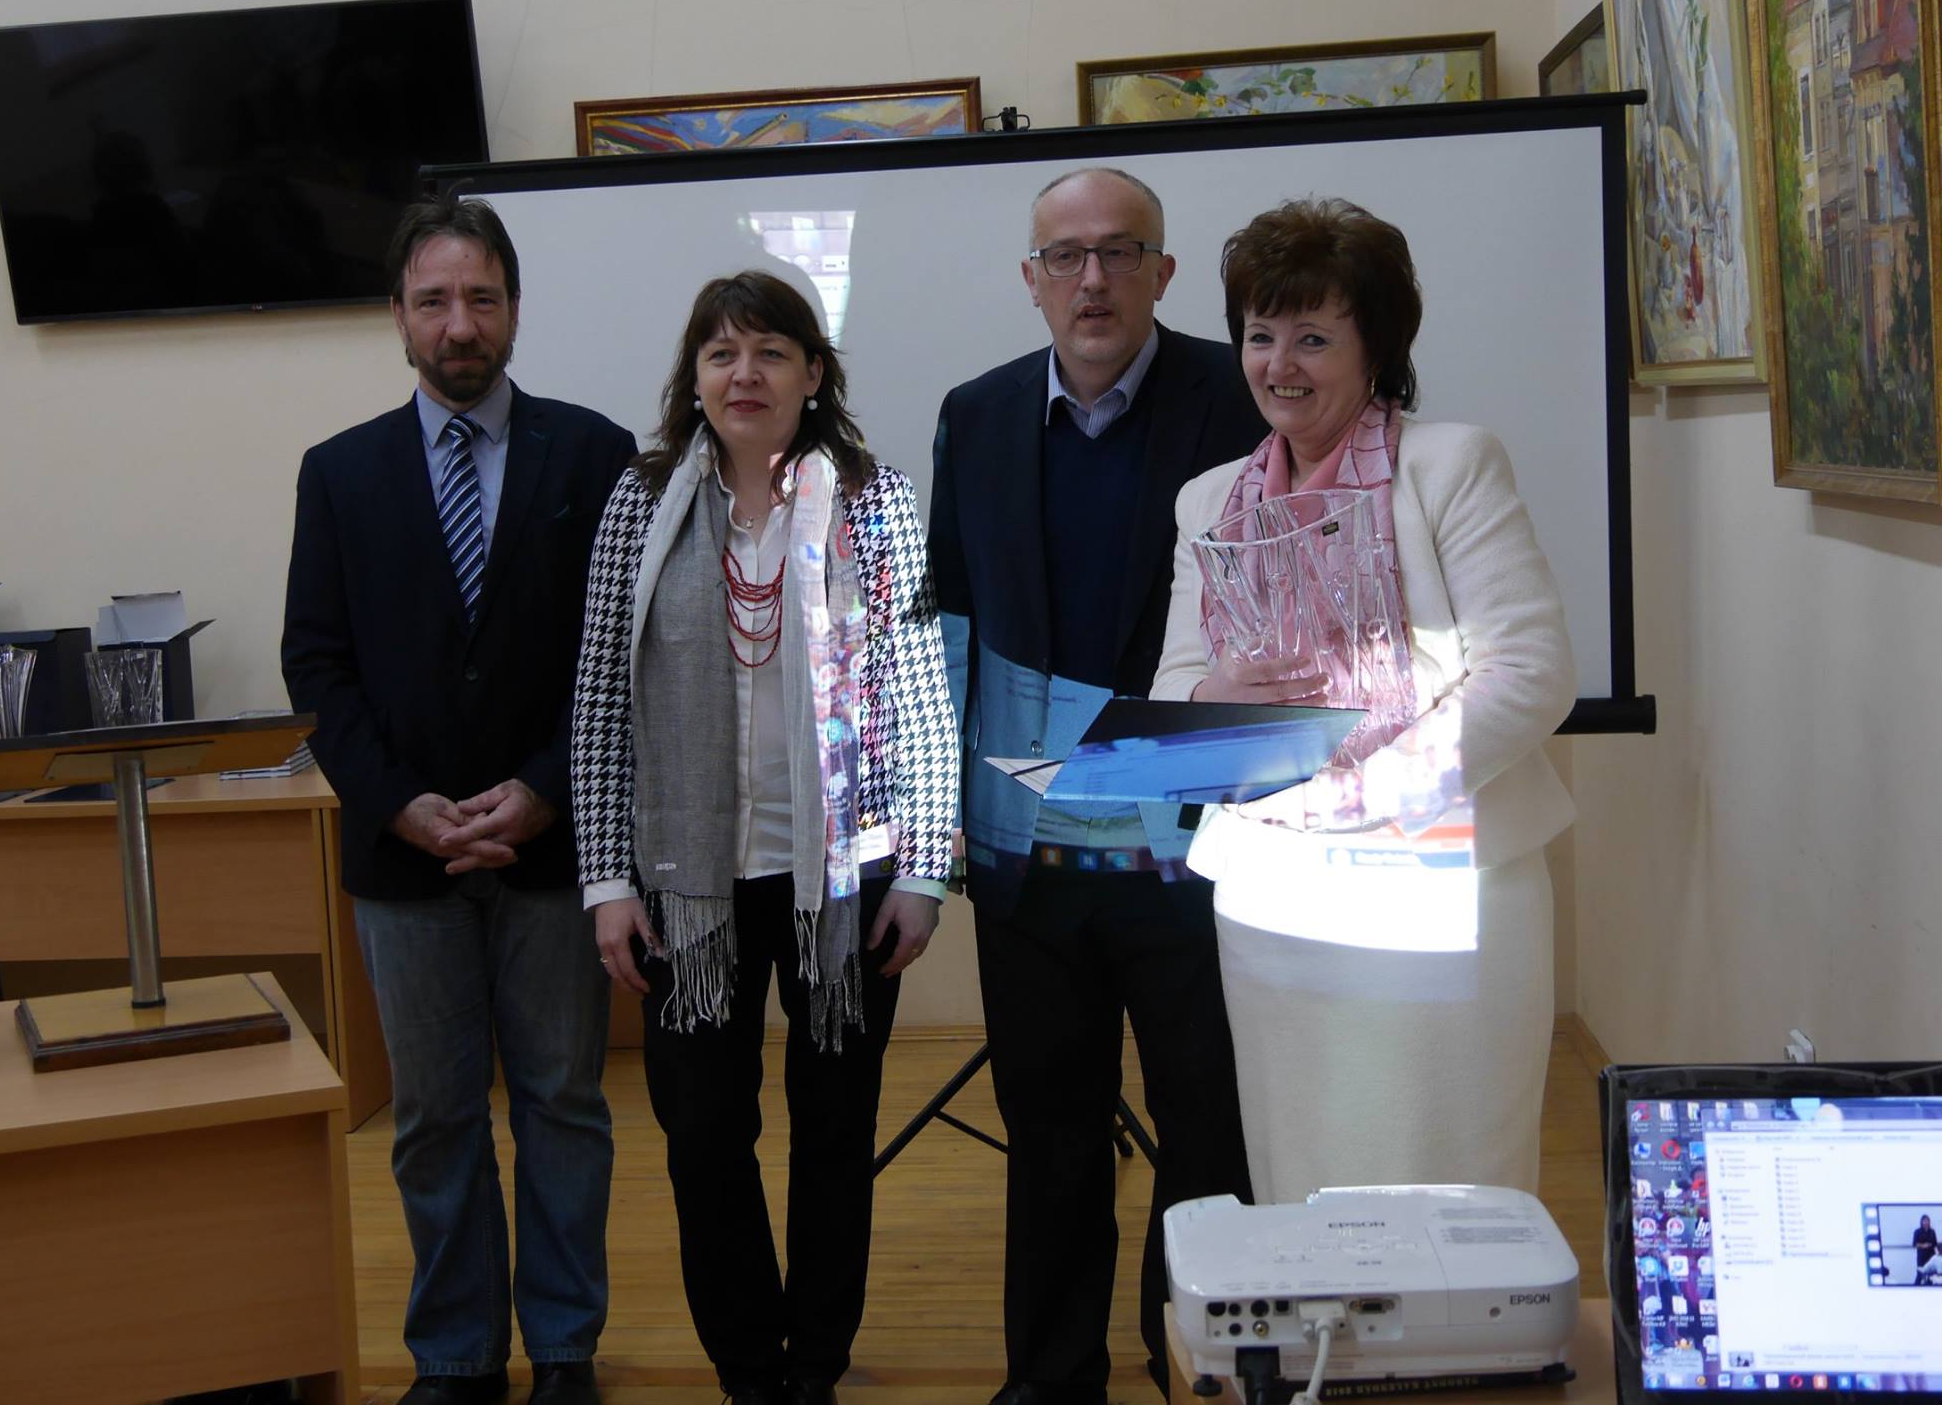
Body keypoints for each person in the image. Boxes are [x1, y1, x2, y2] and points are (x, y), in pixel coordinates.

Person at [572, 270, 957, 1405]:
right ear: (693, 377)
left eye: (771, 352)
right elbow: (600, 698)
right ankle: (748, 1369)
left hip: (842, 875)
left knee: (835, 1130)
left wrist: (925, 867)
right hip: (687, 881)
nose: (745, 374)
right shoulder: (640, 500)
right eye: (721, 353)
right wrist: (605, 878)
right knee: (702, 1132)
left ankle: (815, 1365)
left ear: (813, 375)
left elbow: (918, 687)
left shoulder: (875, 500)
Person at [282, 192, 634, 1405]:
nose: (459, 322)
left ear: (515, 310)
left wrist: (541, 791)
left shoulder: (593, 455)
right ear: (397, 316)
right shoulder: (338, 473)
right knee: (433, 1114)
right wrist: (401, 805)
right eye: (433, 299)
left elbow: (620, 655)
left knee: (563, 1104)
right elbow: (315, 665)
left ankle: (566, 1351)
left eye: (481, 297)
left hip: (554, 847)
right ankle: (456, 1356)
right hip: (405, 858)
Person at [1153, 195, 1577, 1201]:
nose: (1279, 365)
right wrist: (1218, 691)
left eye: (1312, 337)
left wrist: (1366, 795)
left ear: (1375, 348)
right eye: (1260, 335)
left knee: (1447, 1170)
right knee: (1299, 1165)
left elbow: (1528, 669)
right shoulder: (1207, 500)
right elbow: (1172, 694)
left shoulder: (1449, 465)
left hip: (1438, 878)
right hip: (1271, 889)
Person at [928, 166, 1265, 1403]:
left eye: (1119, 252)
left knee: (1205, 1129)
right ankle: (1051, 1377)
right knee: (1050, 1131)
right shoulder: (974, 414)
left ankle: (1192, 1366)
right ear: (1030, 278)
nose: (1091, 279)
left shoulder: (1240, 398)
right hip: (1030, 845)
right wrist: (938, 811)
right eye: (1064, 256)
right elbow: (951, 617)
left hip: (1192, 836)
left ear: (1162, 273)